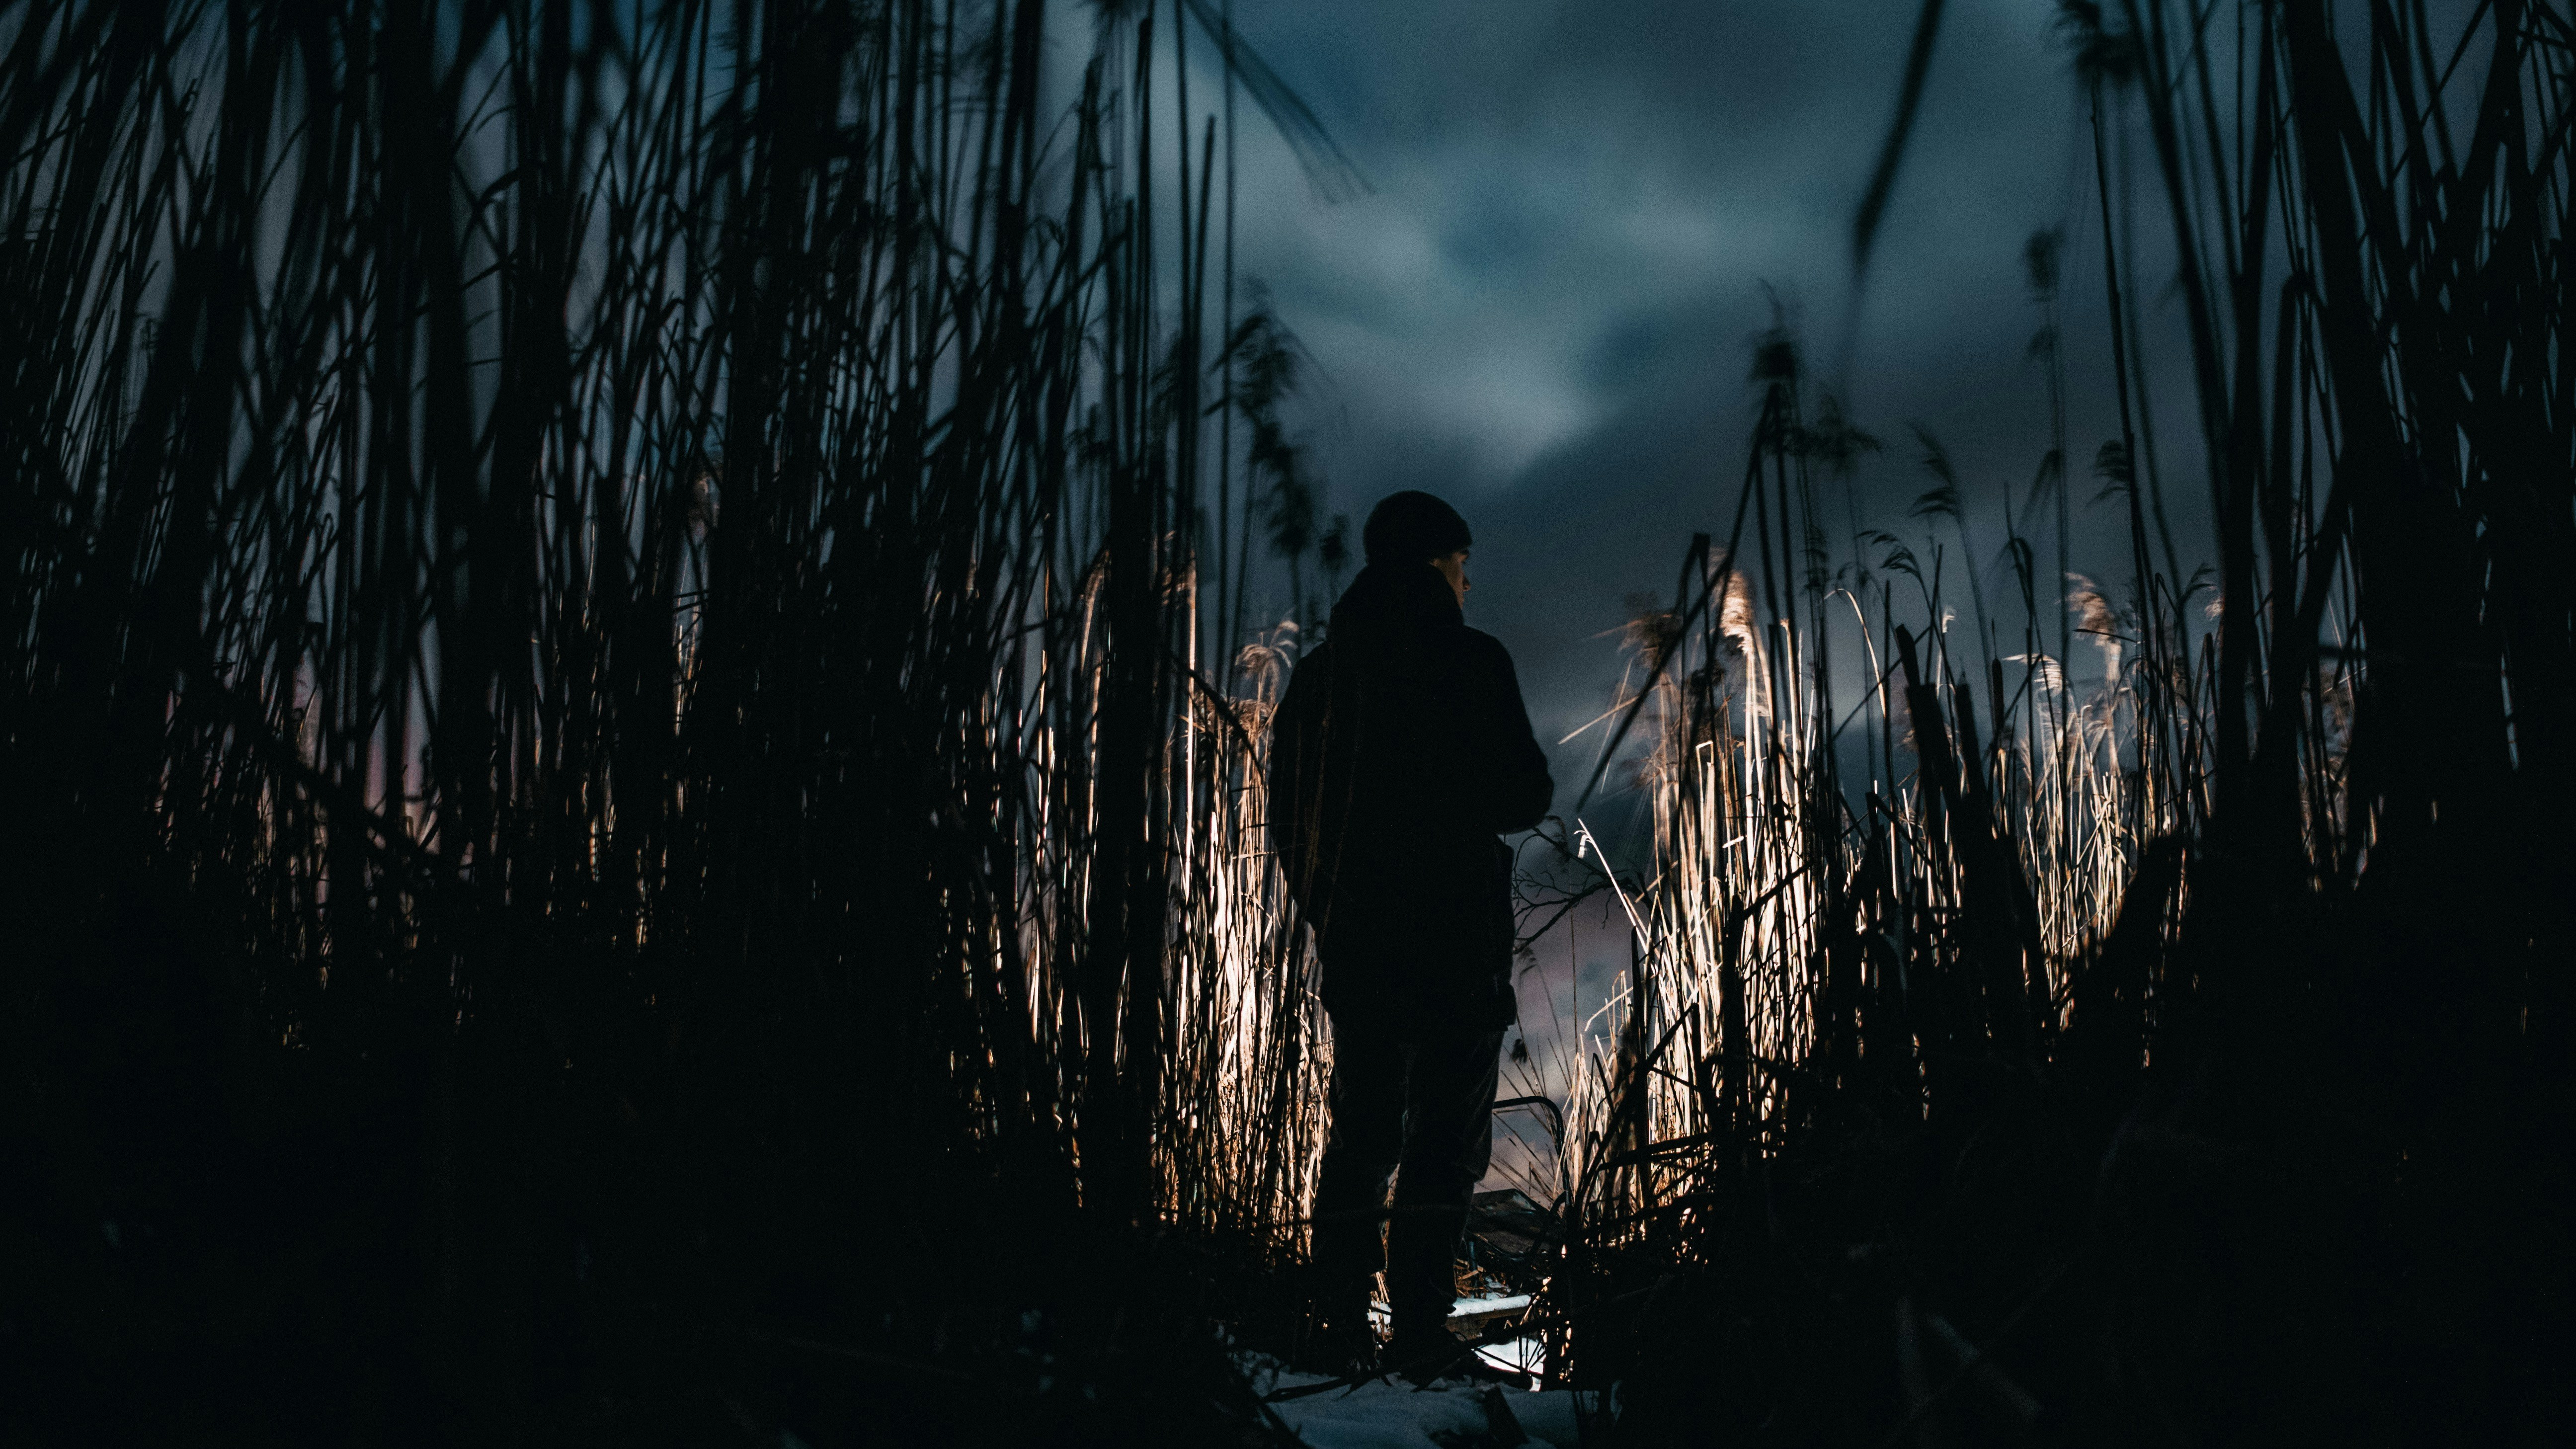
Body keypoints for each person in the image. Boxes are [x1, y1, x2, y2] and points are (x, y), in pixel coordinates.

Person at [1266, 490, 1554, 1380]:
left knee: (1360, 1138)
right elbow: (1525, 797)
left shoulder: (1322, 675)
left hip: (1362, 945)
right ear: (1437, 563)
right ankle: (1422, 1340)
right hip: (1457, 946)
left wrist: (1328, 913)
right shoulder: (1474, 663)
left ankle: (1337, 1331)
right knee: (1443, 1144)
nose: (1469, 583)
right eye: (1463, 565)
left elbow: (1289, 814)